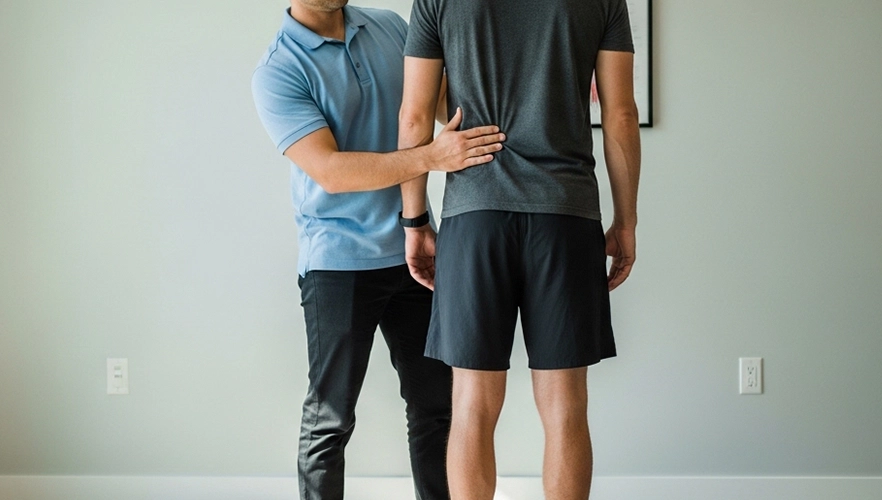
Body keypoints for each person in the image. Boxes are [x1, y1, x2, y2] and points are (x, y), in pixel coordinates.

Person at [251, 1, 505, 499]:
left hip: (417, 249)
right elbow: (331, 170)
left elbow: (445, 104)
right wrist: (431, 156)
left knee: (437, 408)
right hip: (337, 261)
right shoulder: (278, 69)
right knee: (331, 418)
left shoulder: (390, 26)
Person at [397, 0, 642, 499]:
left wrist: (415, 219)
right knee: (565, 406)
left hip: (474, 215)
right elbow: (619, 112)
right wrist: (627, 220)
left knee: (470, 404)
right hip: (566, 215)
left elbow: (416, 115)